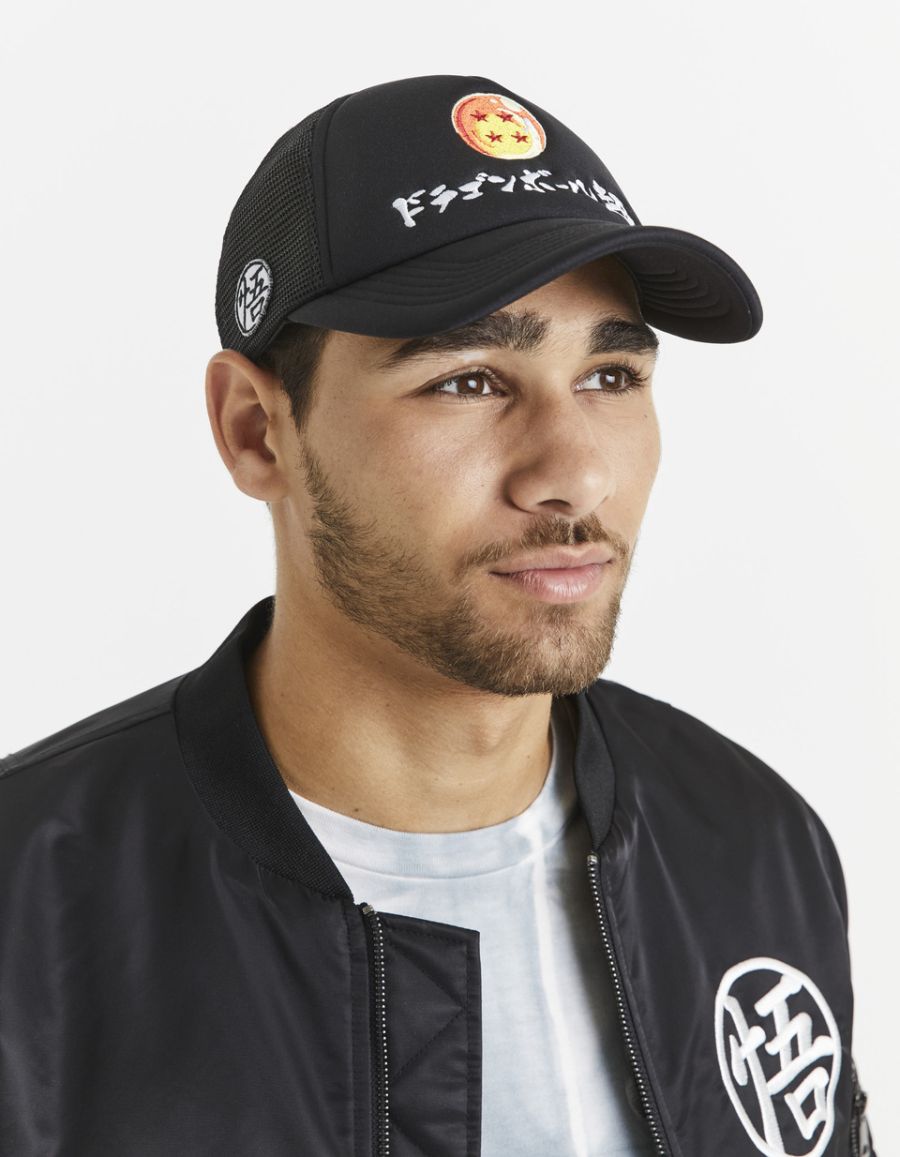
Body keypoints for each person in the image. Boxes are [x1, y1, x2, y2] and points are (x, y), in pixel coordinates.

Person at [0, 74, 876, 1157]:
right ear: (257, 431)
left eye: (610, 375)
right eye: (468, 381)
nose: (575, 474)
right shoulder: (31, 914)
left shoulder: (754, 844)